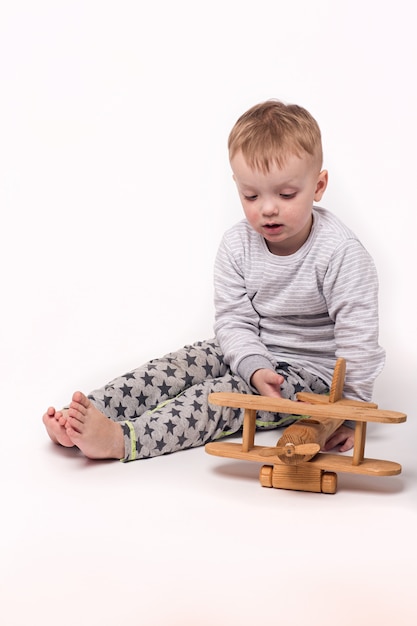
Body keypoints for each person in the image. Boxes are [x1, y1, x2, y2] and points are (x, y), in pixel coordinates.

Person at [42, 99, 385, 462]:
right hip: (248, 348)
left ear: (318, 186)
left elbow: (358, 344)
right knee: (174, 367)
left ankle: (121, 440)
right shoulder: (237, 244)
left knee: (217, 398)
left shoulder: (341, 253)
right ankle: (90, 411)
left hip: (306, 375)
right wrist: (253, 363)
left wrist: (348, 415)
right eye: (251, 195)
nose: (267, 208)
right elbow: (233, 319)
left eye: (286, 195)